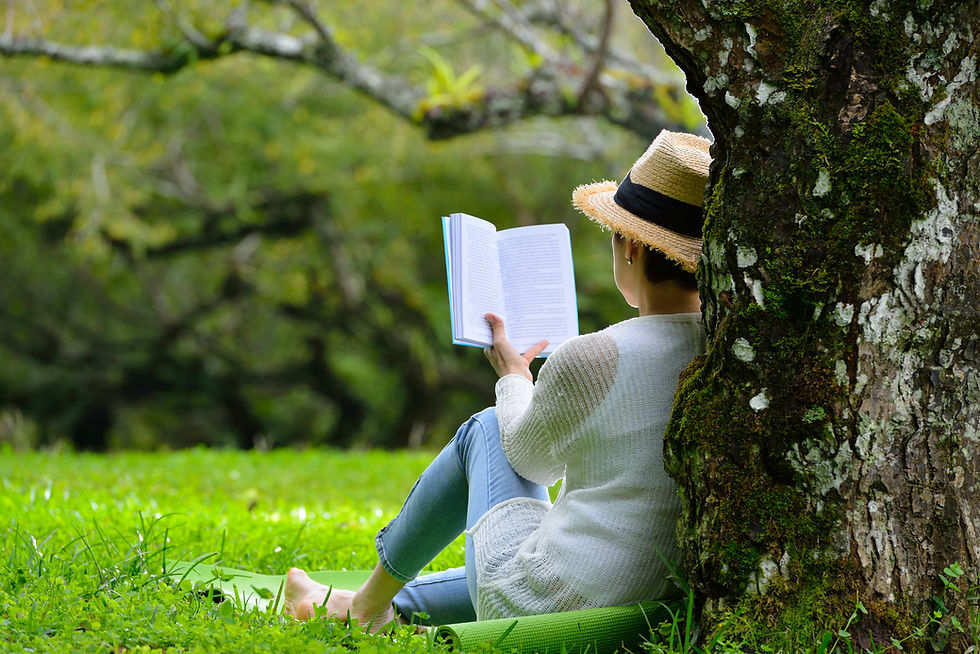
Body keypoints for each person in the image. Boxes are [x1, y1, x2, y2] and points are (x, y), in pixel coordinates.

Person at [284, 129, 711, 631]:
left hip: (547, 606)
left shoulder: (594, 355)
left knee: (486, 430)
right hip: (650, 598)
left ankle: (363, 607)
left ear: (633, 248)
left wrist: (514, 378)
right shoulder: (727, 353)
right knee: (540, 546)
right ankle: (349, 603)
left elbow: (530, 461)